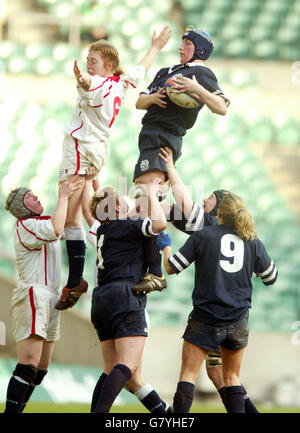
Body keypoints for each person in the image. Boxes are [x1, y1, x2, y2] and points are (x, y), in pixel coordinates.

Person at [55, 26, 172, 310]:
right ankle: (75, 281)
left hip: (81, 148)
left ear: (107, 65)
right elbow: (140, 69)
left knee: (71, 219)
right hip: (94, 149)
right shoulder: (120, 81)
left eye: (92, 60)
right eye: (87, 60)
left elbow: (86, 84)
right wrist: (155, 46)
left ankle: (74, 281)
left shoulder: (97, 82)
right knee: (79, 214)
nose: (88, 64)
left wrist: (80, 77)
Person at [158, 192, 278, 413]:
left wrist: (165, 246)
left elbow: (171, 267)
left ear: (219, 212)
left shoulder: (205, 234)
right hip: (238, 320)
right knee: (231, 378)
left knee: (188, 375)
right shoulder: (251, 239)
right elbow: (271, 277)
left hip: (206, 318)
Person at [83, 175, 172, 413]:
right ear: (119, 207)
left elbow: (93, 208)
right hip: (124, 296)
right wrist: (152, 193)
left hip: (101, 297)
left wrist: (91, 185)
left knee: (110, 366)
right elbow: (160, 224)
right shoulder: (126, 226)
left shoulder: (102, 230)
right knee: (128, 365)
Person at [3, 176, 84, 413]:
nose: (35, 196)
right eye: (29, 196)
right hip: (33, 294)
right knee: (28, 364)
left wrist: (83, 185)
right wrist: (63, 195)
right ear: (21, 207)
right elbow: (57, 228)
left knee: (40, 371)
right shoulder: (26, 225)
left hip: (50, 297)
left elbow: (68, 221)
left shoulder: (42, 223)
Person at [133, 26, 230, 189]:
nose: (181, 47)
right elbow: (139, 103)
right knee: (148, 192)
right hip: (149, 136)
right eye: (181, 42)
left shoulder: (200, 73)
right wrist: (153, 98)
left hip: (163, 136)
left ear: (201, 50)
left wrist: (196, 88)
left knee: (147, 189)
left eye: (187, 43)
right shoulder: (165, 72)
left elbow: (221, 107)